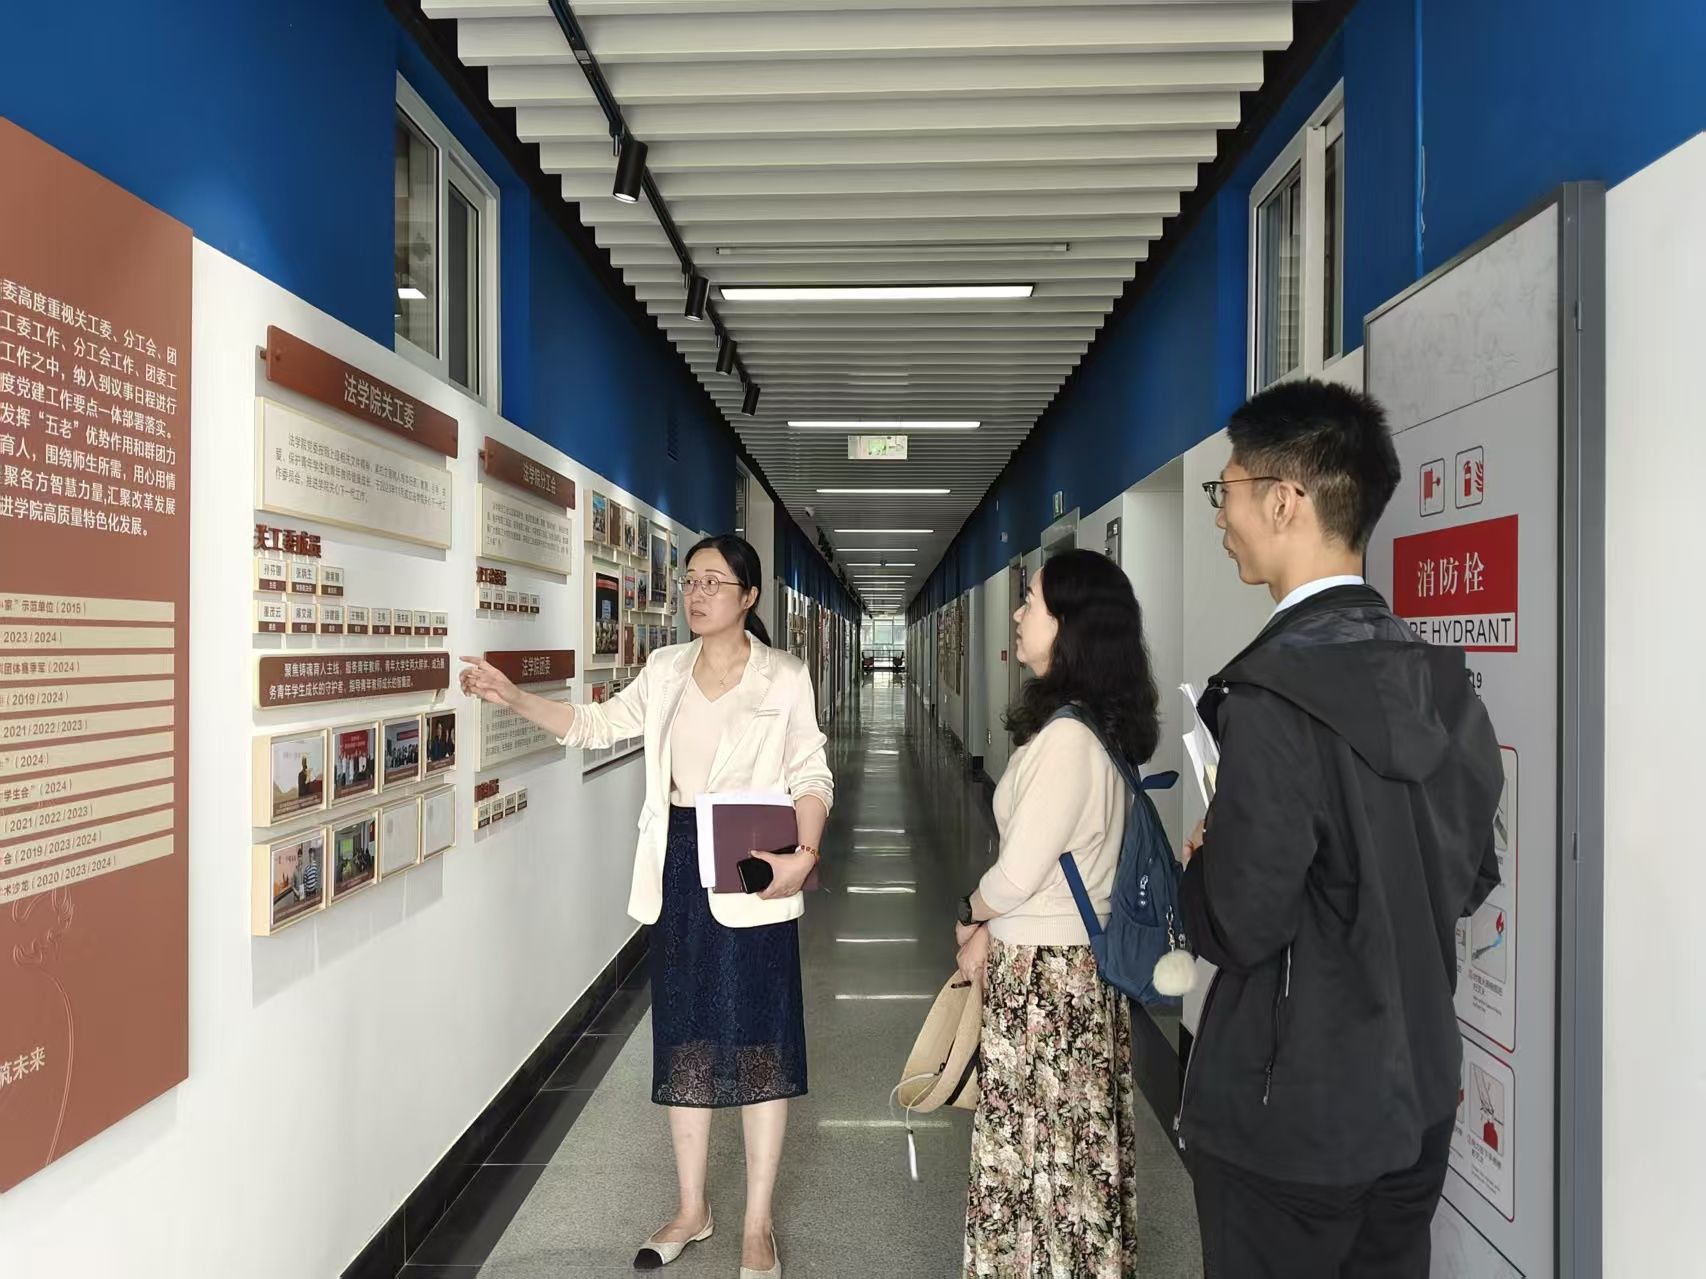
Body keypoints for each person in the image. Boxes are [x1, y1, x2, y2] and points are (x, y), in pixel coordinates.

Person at [1178, 379, 1503, 1277]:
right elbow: (1472, 874)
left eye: (1225, 491)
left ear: (1285, 499)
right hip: (1417, 1098)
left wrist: (1202, 863)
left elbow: (1239, 922)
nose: (1221, 517)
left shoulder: (1271, 698)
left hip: (1290, 1123)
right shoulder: (1443, 684)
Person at [460, 534, 831, 1279]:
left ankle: (757, 1223)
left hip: (753, 865)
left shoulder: (786, 675)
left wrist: (805, 854)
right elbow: (597, 724)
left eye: (714, 582)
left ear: (749, 597)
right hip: (679, 870)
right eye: (690, 580)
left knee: (761, 1043)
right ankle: (692, 1208)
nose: (698, 593)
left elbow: (811, 772)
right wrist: (514, 697)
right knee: (686, 1041)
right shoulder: (664, 670)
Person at [953, 548, 1160, 1278]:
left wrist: (970, 911)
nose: (1017, 613)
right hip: (1069, 971)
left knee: (1044, 1152)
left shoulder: (1068, 740)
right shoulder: (1088, 727)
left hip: (1049, 982)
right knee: (1065, 1153)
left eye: (1031, 601)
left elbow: (1017, 874)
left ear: (1068, 625)